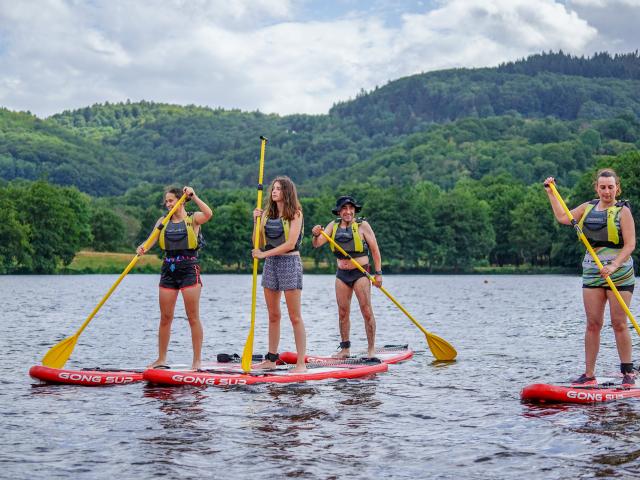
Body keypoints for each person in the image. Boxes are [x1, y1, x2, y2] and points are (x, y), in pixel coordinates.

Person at [544, 169, 636, 386]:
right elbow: (562, 217)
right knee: (593, 324)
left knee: (619, 323)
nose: (607, 191)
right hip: (592, 271)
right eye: (602, 187)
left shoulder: (623, 212)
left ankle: (628, 372)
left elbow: (630, 244)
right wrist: (551, 192)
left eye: (610, 187)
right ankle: (589, 374)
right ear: (597, 188)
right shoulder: (587, 208)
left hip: (620, 272)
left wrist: (614, 265)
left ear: (617, 188)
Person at [137, 186, 213, 371]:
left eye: (171, 200)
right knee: (165, 317)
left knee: (192, 317)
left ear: (180, 200)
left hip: (188, 269)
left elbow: (208, 213)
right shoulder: (163, 221)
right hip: (168, 269)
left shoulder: (193, 218)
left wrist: (193, 196)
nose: (168, 203)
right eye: (167, 201)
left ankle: (196, 361)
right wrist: (142, 248)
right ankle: (161, 359)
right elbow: (149, 241)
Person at [311, 195, 383, 358]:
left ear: (354, 210)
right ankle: (345, 349)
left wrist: (378, 273)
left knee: (366, 310)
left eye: (351, 208)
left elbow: (375, 250)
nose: (348, 211)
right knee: (343, 312)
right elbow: (316, 244)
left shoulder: (363, 225)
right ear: (338, 211)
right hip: (342, 274)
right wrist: (315, 234)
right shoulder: (332, 225)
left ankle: (371, 349)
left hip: (361, 273)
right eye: (344, 208)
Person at [251, 176, 307, 373]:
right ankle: (271, 359)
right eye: (273, 188)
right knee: (273, 315)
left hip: (290, 262)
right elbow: (257, 241)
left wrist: (263, 254)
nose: (274, 192)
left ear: (287, 192)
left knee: (295, 316)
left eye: (278, 189)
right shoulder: (267, 214)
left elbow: (290, 243)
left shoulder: (295, 214)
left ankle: (301, 364)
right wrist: (256, 221)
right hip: (271, 264)